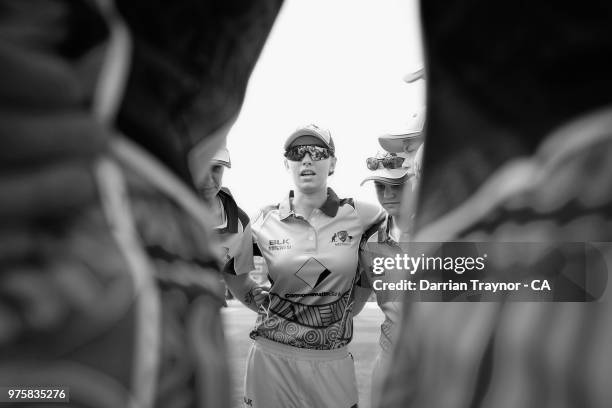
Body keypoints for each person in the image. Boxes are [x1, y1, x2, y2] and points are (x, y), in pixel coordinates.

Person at [243, 124, 385, 408]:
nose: (306, 159)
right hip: (271, 359)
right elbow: (229, 265)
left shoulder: (365, 215)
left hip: (332, 360)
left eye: (317, 152)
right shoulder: (261, 219)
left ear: (332, 163)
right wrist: (252, 296)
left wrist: (359, 290)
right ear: (287, 163)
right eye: (297, 153)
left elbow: (395, 236)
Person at [359, 123, 424, 407]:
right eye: (380, 186)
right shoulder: (368, 243)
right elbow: (355, 303)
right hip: (389, 361)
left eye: (397, 185)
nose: (387, 194)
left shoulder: (444, 235)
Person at [190, 145, 267, 310]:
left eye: (216, 168)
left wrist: (269, 304)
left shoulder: (240, 222)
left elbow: (241, 284)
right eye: (200, 167)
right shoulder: (158, 207)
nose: (208, 179)